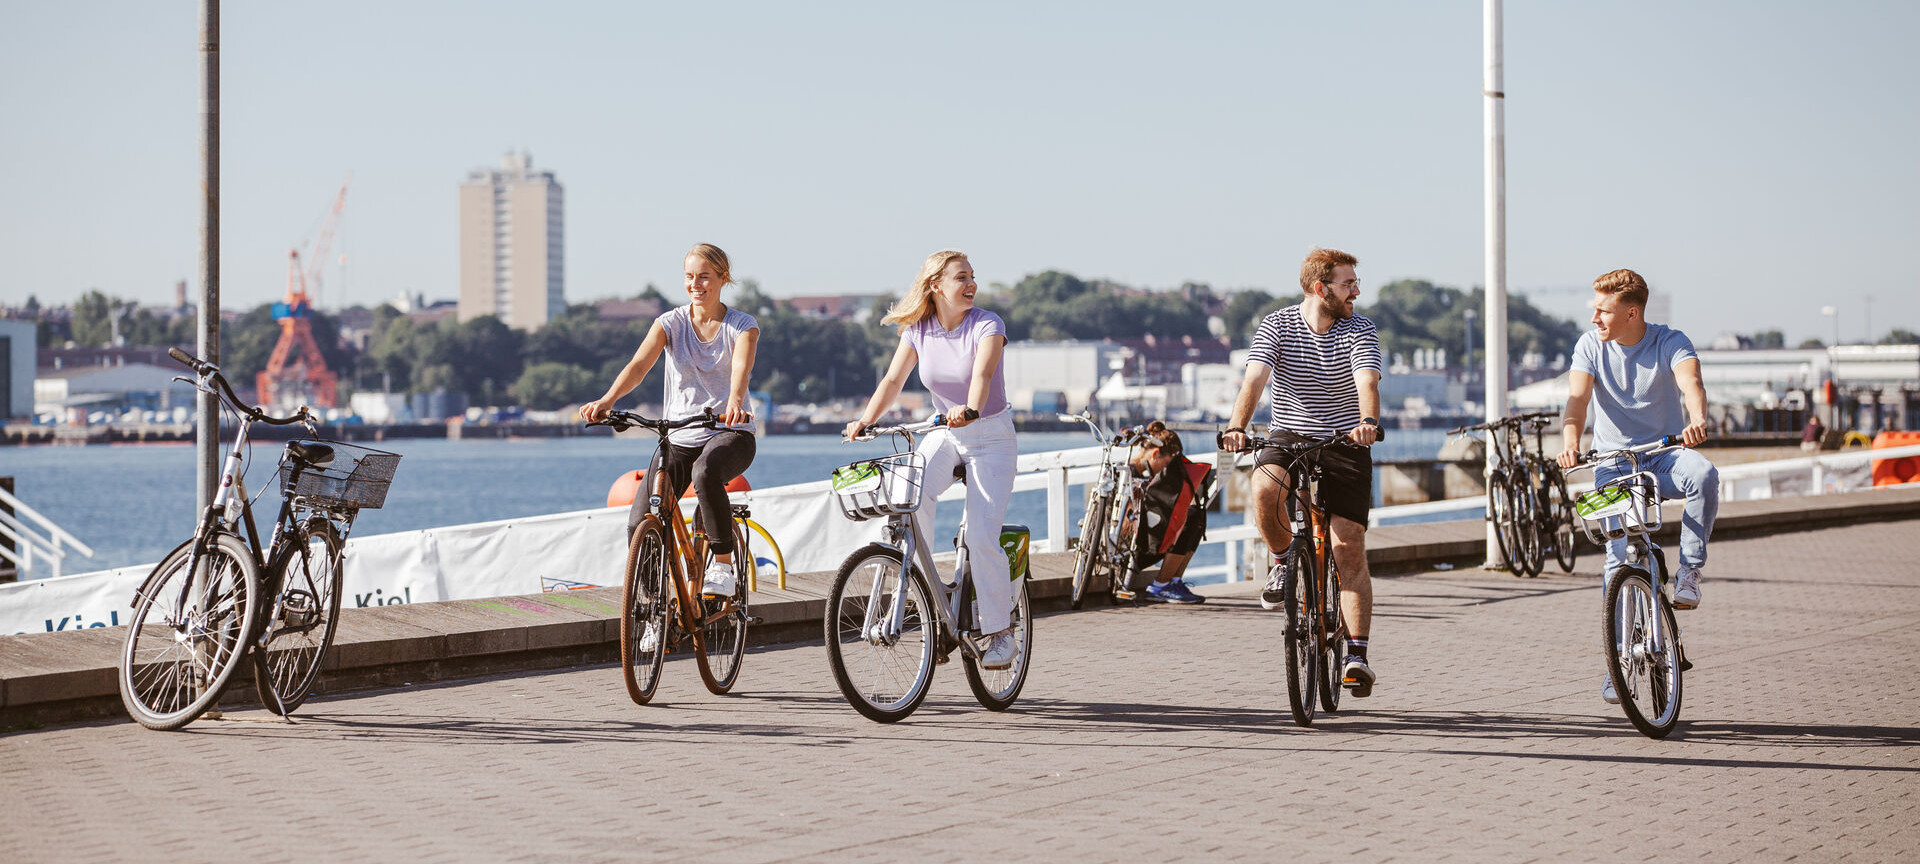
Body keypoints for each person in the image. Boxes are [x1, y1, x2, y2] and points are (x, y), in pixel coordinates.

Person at [843, 250, 1021, 670]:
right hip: (945, 432)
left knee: (980, 536)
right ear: (936, 285)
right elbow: (891, 380)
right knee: (908, 499)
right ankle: (922, 597)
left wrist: (970, 409)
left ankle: (1000, 632)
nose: (971, 284)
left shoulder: (988, 325)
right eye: (962, 277)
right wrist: (865, 420)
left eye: (973, 276)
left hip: (989, 435)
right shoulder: (918, 330)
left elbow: (981, 375)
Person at [1221, 248, 1383, 697]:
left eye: (1355, 282)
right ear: (1320, 288)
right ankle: (1280, 562)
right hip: (1290, 434)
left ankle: (1356, 654)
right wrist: (1237, 426)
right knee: (1262, 487)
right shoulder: (1277, 325)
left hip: (1346, 441)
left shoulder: (1360, 329)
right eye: (1347, 284)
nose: (1356, 291)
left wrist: (1367, 422)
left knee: (1347, 545)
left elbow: (1366, 380)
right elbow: (1254, 380)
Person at [1554, 268, 1715, 705]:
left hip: (1662, 455)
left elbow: (1691, 383)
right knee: (1617, 557)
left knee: (1703, 474)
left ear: (1631, 312)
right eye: (1594, 310)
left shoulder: (1669, 341)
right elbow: (1577, 401)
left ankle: (1690, 571)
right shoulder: (1590, 346)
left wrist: (1697, 418)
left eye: (1603, 311)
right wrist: (1570, 444)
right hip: (1612, 466)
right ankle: (1619, 662)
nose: (1595, 319)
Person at [581, 243, 760, 601]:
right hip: (679, 435)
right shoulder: (670, 323)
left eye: (705, 277)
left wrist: (735, 403)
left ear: (723, 279)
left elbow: (741, 367)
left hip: (729, 432)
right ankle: (652, 609)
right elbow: (638, 366)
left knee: (705, 473)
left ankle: (722, 565)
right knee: (639, 523)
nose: (696, 284)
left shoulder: (742, 325)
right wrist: (608, 399)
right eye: (690, 277)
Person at [1129, 421, 1214, 605]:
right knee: (1190, 517)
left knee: (1195, 516)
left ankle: (1173, 581)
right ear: (1156, 454)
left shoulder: (1150, 476)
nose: (1167, 470)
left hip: (1149, 540)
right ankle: (1160, 585)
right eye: (1167, 463)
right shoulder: (1128, 475)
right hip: (1135, 548)